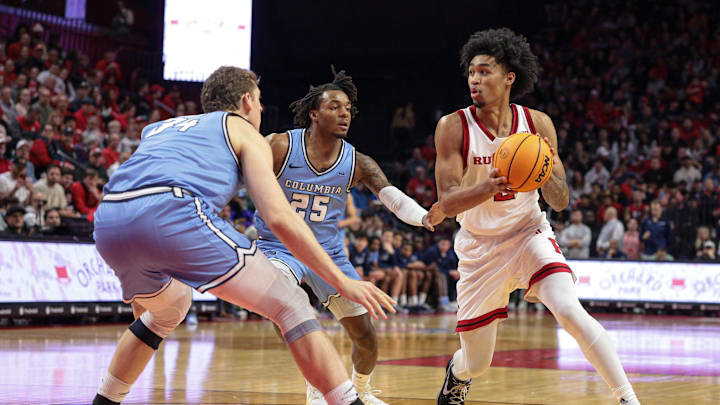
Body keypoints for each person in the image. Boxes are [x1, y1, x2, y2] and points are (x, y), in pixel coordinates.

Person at [91, 66, 395, 405]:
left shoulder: (160, 127)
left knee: (165, 311)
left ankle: (105, 401)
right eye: (260, 101)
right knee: (292, 303)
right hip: (172, 210)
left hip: (109, 221)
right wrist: (342, 279)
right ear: (246, 100)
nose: (262, 110)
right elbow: (279, 217)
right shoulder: (245, 130)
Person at [432, 28, 641, 405]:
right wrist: (488, 186)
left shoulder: (538, 124)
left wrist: (545, 173)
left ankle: (628, 398)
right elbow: (446, 203)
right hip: (478, 248)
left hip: (528, 233)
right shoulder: (453, 126)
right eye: (471, 73)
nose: (474, 80)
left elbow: (560, 201)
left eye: (484, 71)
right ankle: (457, 373)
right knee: (478, 363)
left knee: (569, 309)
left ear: (510, 77)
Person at [255, 68, 443, 405]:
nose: (344, 114)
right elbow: (243, 175)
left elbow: (390, 195)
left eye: (348, 109)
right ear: (313, 113)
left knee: (366, 335)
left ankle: (363, 390)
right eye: (334, 107)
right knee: (288, 305)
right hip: (278, 248)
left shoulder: (357, 161)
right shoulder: (280, 145)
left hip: (328, 253)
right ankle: (319, 382)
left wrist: (424, 216)